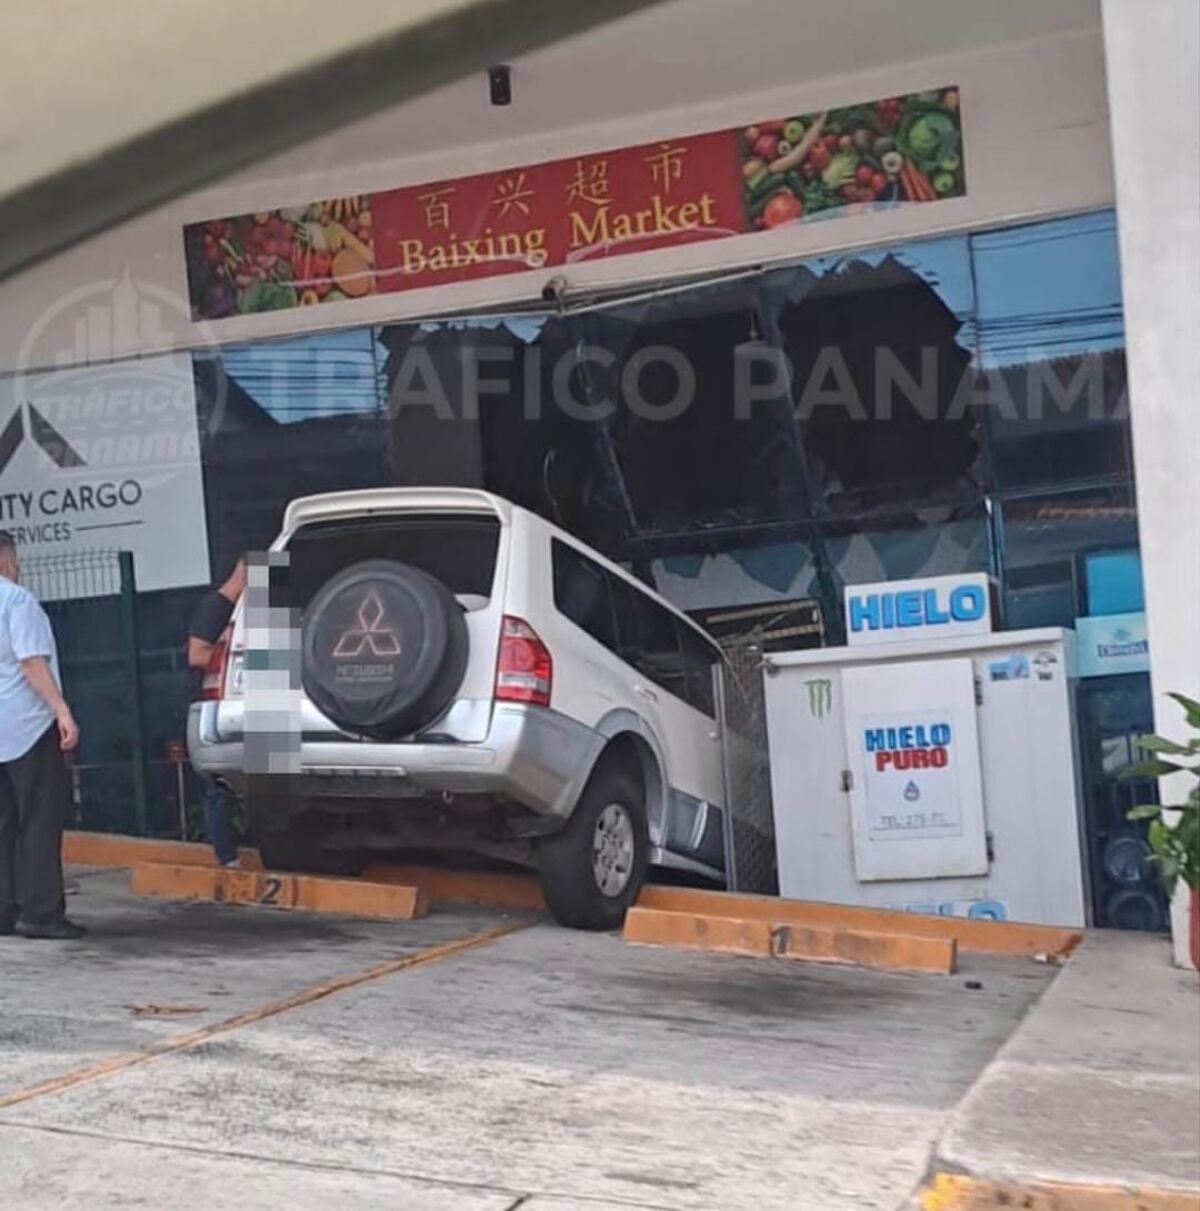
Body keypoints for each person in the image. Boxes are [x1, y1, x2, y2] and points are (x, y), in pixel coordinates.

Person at [0, 531, 85, 940]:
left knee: (3, 822)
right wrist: (62, 710)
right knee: (38, 818)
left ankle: (4, 907)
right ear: (6, 560)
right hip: (26, 724)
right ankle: (40, 911)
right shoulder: (17, 601)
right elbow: (32, 663)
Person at [187, 557, 246, 867]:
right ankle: (227, 857)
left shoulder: (238, 610)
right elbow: (196, 655)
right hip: (211, 706)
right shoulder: (216, 606)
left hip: (232, 704)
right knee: (217, 785)